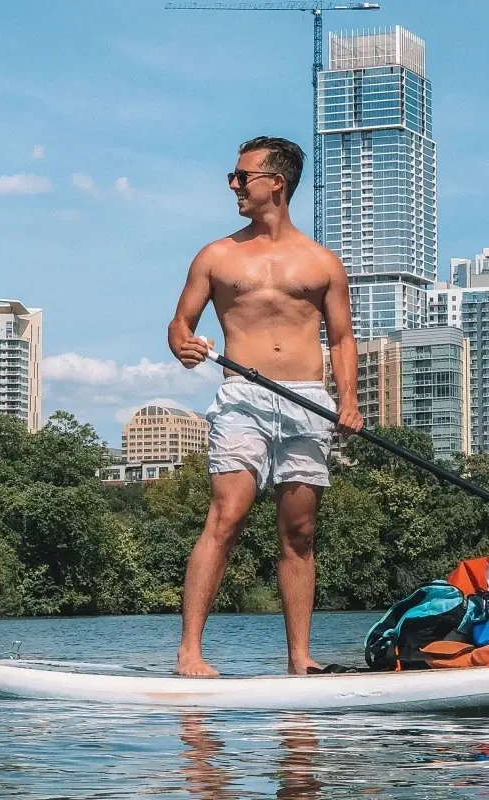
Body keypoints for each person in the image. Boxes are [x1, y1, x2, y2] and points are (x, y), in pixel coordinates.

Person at [168, 136, 363, 677]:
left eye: (242, 176)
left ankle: (299, 659)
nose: (233, 184)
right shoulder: (217, 255)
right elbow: (180, 323)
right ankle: (190, 653)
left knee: (299, 533)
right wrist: (181, 342)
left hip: (307, 402)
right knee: (226, 516)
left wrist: (349, 402)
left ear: (275, 183)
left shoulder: (322, 262)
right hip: (243, 399)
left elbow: (343, 340)